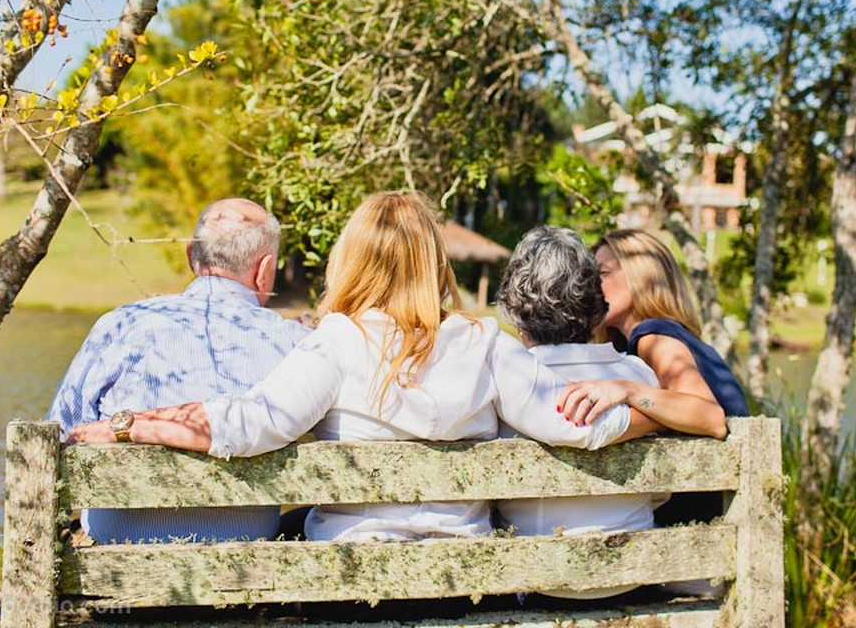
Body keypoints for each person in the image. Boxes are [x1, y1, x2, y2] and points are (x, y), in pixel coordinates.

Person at [67, 191, 655, 545]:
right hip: (461, 583)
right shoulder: (484, 343)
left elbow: (248, 424)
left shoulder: (338, 340)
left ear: (352, 260)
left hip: (352, 578)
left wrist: (128, 426)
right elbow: (581, 427)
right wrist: (654, 409)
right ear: (434, 261)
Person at [47, 197, 310, 543]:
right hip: (243, 559)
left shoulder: (121, 324)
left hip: (115, 557)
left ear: (191, 255)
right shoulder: (295, 343)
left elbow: (60, 431)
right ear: (264, 270)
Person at [494, 225, 665, 600]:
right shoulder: (640, 376)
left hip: (544, 587)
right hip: (635, 579)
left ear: (515, 307)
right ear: (593, 306)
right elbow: (660, 495)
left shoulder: (508, 383)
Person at [561, 228, 748, 530]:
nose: (589, 286)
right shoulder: (647, 340)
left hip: (702, 532)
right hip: (707, 525)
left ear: (642, 277)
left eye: (602, 273)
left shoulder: (654, 336)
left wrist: (627, 391)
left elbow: (711, 418)